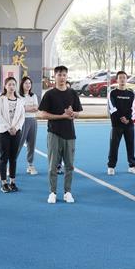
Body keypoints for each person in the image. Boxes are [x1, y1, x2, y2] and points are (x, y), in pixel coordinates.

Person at [38, 65, 82, 204]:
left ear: (66, 76)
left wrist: (73, 114)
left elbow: (78, 113)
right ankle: (52, 192)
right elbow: (43, 114)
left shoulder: (72, 93)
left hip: (70, 135)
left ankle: (67, 192)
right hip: (54, 133)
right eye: (59, 75)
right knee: (53, 165)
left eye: (64, 75)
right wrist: (62, 116)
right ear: (54, 76)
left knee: (69, 165)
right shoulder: (49, 94)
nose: (62, 77)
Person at [0, 77, 26, 193]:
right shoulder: (1, 99)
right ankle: (4, 183)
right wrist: (9, 128)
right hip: (3, 132)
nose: (12, 87)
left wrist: (16, 128)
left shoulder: (20, 101)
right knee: (4, 157)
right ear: (5, 86)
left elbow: (22, 117)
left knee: (13, 158)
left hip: (16, 132)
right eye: (9, 84)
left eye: (13, 84)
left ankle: (12, 181)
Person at [107, 71, 135, 176]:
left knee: (131, 145)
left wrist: (128, 119)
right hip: (117, 124)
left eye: (124, 77)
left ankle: (132, 166)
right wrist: (121, 118)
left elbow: (133, 108)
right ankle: (111, 166)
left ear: (126, 79)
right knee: (114, 146)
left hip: (129, 124)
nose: (122, 79)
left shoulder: (131, 93)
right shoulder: (112, 93)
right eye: (120, 78)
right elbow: (112, 108)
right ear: (117, 80)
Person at [17, 76, 40, 175]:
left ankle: (30, 165)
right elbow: (20, 109)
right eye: (26, 83)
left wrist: (26, 108)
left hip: (33, 121)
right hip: (23, 121)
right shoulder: (18, 96)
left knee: (31, 143)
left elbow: (36, 108)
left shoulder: (33, 96)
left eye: (29, 83)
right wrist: (29, 108)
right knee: (19, 143)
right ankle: (11, 164)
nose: (28, 85)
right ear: (22, 84)